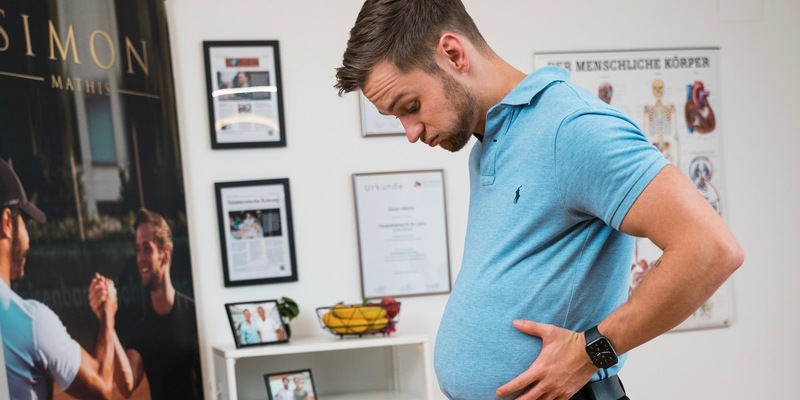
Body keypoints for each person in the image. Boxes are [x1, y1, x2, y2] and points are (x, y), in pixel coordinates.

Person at [334, 1, 744, 399]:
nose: (409, 131)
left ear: (453, 54)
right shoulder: (487, 145)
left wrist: (593, 351)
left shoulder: (572, 129)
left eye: (411, 106)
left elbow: (710, 249)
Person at [0, 158, 117, 399]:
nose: (28, 238)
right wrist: (107, 315)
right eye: (25, 222)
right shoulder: (31, 322)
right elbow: (102, 387)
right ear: (7, 222)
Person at [88, 208, 203, 399]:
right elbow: (127, 385)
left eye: (147, 248)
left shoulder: (195, 315)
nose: (141, 258)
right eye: (138, 249)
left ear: (165, 256)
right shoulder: (142, 332)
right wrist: (106, 317)